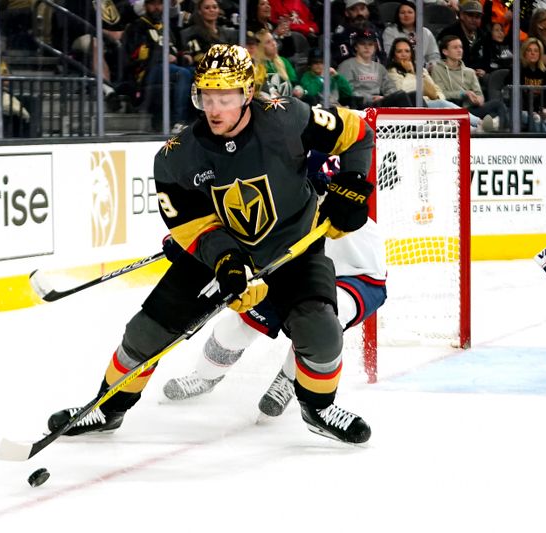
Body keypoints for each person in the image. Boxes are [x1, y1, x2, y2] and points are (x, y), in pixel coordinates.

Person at [46, 43, 376, 444]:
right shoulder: (176, 157)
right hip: (219, 258)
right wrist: (226, 261)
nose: (214, 108)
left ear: (248, 94)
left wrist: (355, 184)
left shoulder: (288, 118)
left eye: (226, 97)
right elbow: (192, 227)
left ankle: (318, 409)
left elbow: (359, 135)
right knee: (146, 333)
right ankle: (108, 407)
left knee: (322, 333)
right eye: (207, 96)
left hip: (292, 249)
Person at [161, 154, 386, 417]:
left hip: (356, 274)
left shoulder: (320, 168)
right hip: (297, 271)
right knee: (236, 327)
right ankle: (205, 376)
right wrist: (191, 243)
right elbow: (236, 218)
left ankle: (289, 380)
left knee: (320, 320)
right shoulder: (274, 178)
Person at [122, 0, 194, 132]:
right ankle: (178, 122)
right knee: (182, 74)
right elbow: (136, 55)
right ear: (145, 6)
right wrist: (162, 57)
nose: (156, 8)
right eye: (152, 4)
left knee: (198, 73)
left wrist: (184, 57)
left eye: (160, 4)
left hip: (168, 68)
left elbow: (175, 51)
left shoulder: (165, 27)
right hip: (146, 71)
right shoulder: (137, 26)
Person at [431, 35, 507, 130]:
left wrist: (478, 100)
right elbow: (441, 94)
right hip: (451, 108)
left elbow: (479, 95)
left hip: (470, 109)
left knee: (498, 104)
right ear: (445, 51)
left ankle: (501, 134)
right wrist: (464, 94)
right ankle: (484, 126)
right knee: (491, 117)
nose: (459, 50)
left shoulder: (470, 72)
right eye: (455, 47)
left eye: (461, 47)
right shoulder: (437, 70)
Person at [337, 30, 414, 109]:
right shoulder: (346, 66)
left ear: (375, 47)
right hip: (360, 104)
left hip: (379, 102)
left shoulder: (380, 68)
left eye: (370, 44)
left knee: (414, 96)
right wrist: (370, 98)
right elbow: (346, 92)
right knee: (401, 97)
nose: (367, 47)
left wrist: (386, 97)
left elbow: (390, 88)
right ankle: (411, 120)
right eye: (363, 44)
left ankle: (422, 120)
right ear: (356, 46)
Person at [436, 0, 489, 79]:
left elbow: (487, 58)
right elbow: (443, 59)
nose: (474, 19)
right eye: (470, 15)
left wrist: (484, 70)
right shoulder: (449, 32)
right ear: (462, 15)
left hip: (478, 75)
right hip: (453, 75)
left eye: (477, 17)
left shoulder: (483, 34)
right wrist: (467, 71)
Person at [381, 0, 440, 70]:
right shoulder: (390, 32)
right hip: (399, 69)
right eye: (402, 13)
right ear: (398, 16)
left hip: (424, 70)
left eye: (410, 12)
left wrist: (432, 65)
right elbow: (390, 55)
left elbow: (434, 55)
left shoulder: (426, 32)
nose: (406, 15)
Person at [330, 0, 387, 67]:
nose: (359, 13)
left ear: (367, 11)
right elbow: (343, 60)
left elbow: (381, 55)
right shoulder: (342, 32)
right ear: (347, 13)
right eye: (353, 9)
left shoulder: (374, 29)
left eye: (362, 9)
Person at [258, 29, 304, 98]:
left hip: (287, 101)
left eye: (273, 40)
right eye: (268, 42)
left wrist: (298, 89)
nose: (274, 44)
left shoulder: (284, 61)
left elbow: (294, 82)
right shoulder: (257, 65)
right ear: (260, 46)